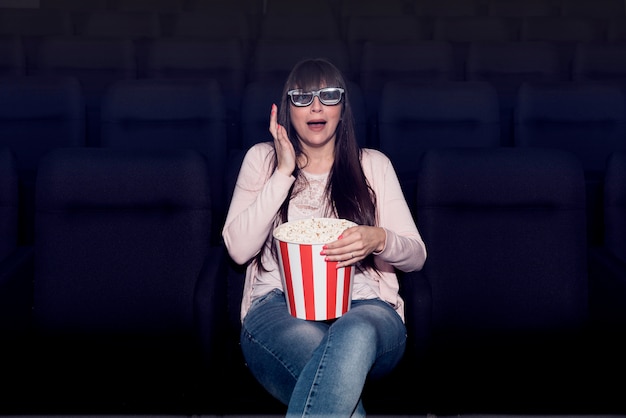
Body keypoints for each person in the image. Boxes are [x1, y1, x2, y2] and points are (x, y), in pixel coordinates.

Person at [222, 58, 427, 417]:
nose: (316, 106)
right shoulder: (262, 160)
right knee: (334, 376)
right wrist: (284, 172)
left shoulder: (373, 165)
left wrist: (378, 239)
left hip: (367, 309)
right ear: (287, 107)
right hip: (277, 307)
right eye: (302, 97)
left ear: (342, 107)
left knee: (354, 334)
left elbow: (416, 255)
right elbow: (238, 250)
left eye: (328, 95)